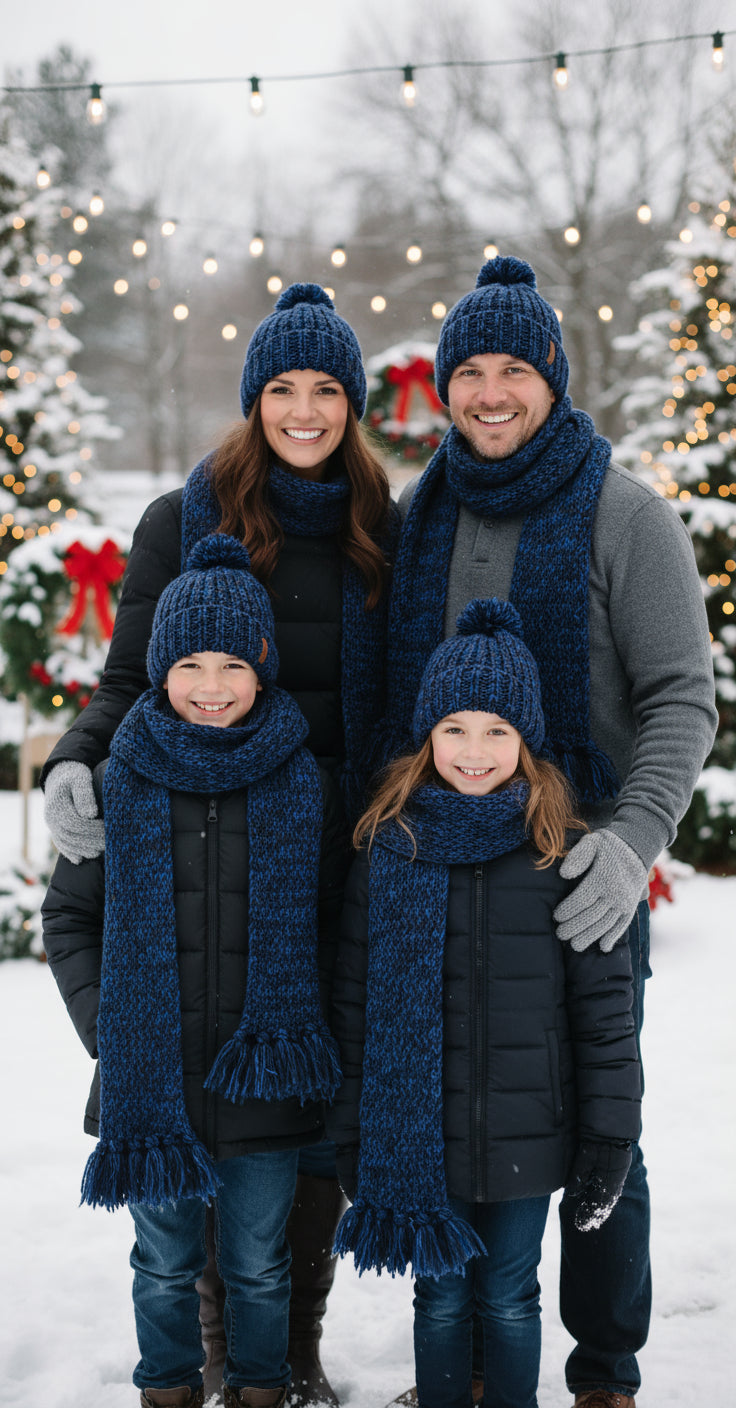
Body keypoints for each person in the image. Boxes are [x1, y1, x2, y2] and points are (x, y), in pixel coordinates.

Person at [41, 282, 397, 1406]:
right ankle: (215, 1352)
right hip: (206, 821)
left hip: (339, 841)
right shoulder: (182, 518)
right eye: (281, 389)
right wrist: (74, 758)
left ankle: (287, 1349)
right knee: (213, 1131)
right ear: (253, 400)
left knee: (306, 1128)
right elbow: (125, 678)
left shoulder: (383, 520)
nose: (303, 410)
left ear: (353, 401)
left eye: (326, 389)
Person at [380, 255, 718, 1407]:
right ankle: (479, 1349)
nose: (486, 391)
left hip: (578, 882)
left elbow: (683, 695)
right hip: (444, 879)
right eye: (466, 370)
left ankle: (605, 1364)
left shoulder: (625, 514)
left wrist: (628, 845)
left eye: (511, 368)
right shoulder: (422, 510)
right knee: (469, 1112)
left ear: (551, 378)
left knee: (595, 1124)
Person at [42, 534, 347, 1408]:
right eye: (188, 665)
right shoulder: (118, 779)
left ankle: (260, 1390)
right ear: (160, 671)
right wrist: (112, 1025)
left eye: (231, 666)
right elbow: (69, 915)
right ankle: (167, 1389)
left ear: (263, 669)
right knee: (163, 1263)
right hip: (153, 1077)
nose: (210, 688)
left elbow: (335, 922)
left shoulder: (303, 783)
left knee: (258, 1264)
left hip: (266, 1085)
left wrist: (308, 1023)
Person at [328, 598, 642, 1408]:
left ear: (527, 741)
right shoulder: (388, 846)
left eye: (497, 730)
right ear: (427, 736)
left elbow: (604, 1022)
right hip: (416, 1133)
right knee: (437, 1299)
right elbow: (354, 1009)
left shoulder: (563, 855)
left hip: (528, 1136)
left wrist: (608, 1135)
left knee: (509, 1295)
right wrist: (352, 1129)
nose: (474, 751)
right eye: (455, 729)